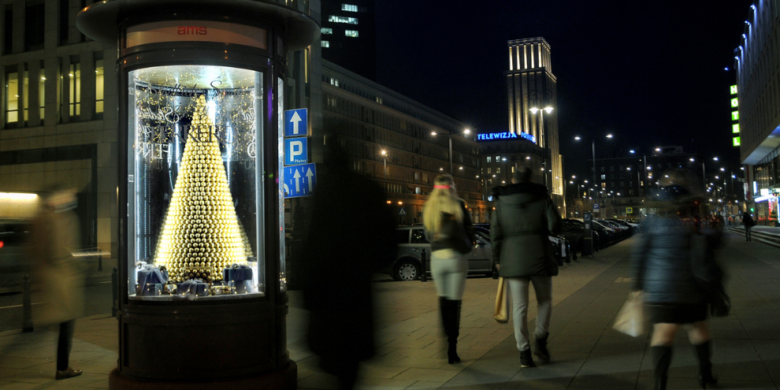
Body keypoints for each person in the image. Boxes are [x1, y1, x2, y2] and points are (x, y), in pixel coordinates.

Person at [300, 138, 396, 390]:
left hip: (326, 291)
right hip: (355, 289)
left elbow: (310, 243)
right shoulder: (366, 189)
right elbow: (388, 242)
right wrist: (368, 265)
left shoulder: (323, 191)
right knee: (349, 363)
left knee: (331, 356)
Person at [633, 184, 723, 390]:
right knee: (698, 329)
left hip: (660, 290)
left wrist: (637, 287)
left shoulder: (651, 224)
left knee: (663, 333)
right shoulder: (695, 224)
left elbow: (639, 257)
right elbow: (716, 243)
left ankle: (660, 382)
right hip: (693, 288)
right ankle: (705, 375)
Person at [491, 167, 562, 368]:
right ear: (530, 179)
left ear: (513, 180)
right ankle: (540, 338)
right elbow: (555, 225)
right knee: (545, 301)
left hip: (512, 258)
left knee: (520, 307)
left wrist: (497, 259)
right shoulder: (542, 197)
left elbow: (495, 233)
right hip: (539, 254)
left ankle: (524, 353)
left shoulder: (501, 202)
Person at [29, 186, 85, 380]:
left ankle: (62, 366)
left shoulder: (42, 218)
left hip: (52, 278)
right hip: (62, 280)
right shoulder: (60, 219)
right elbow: (61, 251)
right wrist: (75, 265)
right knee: (66, 324)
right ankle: (62, 368)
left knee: (62, 322)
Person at [422, 174, 474, 364]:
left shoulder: (429, 207)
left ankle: (445, 335)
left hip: (437, 259)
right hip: (457, 258)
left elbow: (428, 235)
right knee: (455, 304)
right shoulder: (459, 205)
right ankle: (453, 348)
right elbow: (469, 229)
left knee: (443, 301)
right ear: (452, 187)